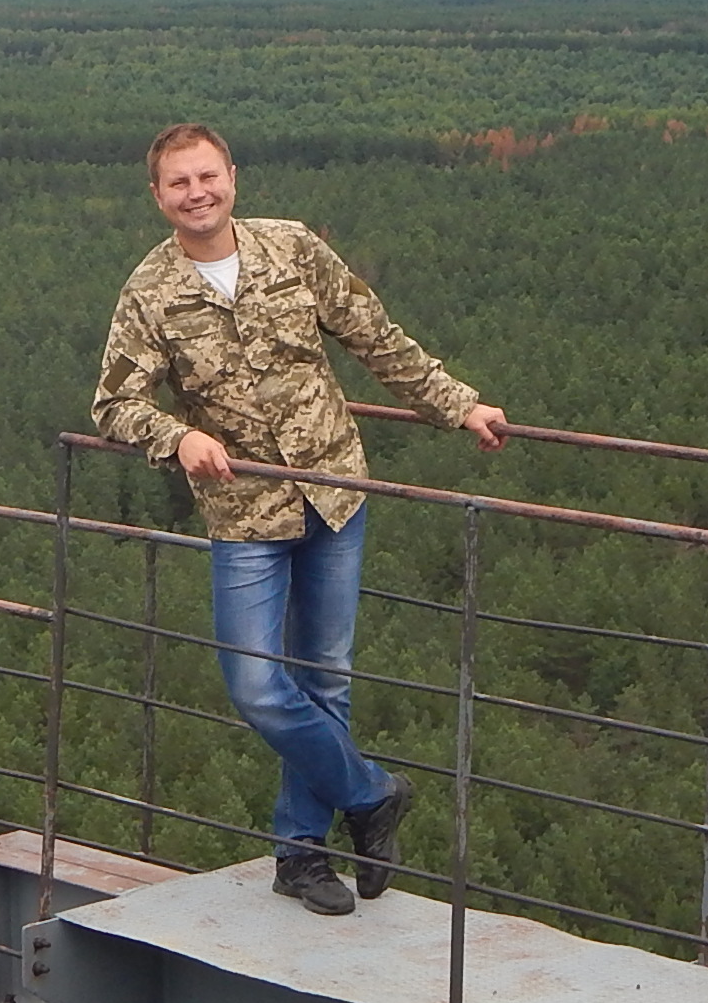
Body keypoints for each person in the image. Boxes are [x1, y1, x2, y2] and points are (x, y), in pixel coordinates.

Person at [93, 123, 510, 916]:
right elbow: (114, 403)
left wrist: (458, 406)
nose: (197, 193)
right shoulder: (149, 292)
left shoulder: (293, 250)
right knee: (255, 683)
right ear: (158, 197)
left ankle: (301, 855)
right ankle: (372, 794)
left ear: (233, 178)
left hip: (335, 490)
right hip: (246, 514)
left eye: (207, 176)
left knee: (324, 680)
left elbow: (375, 339)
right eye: (179, 183)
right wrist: (176, 435)